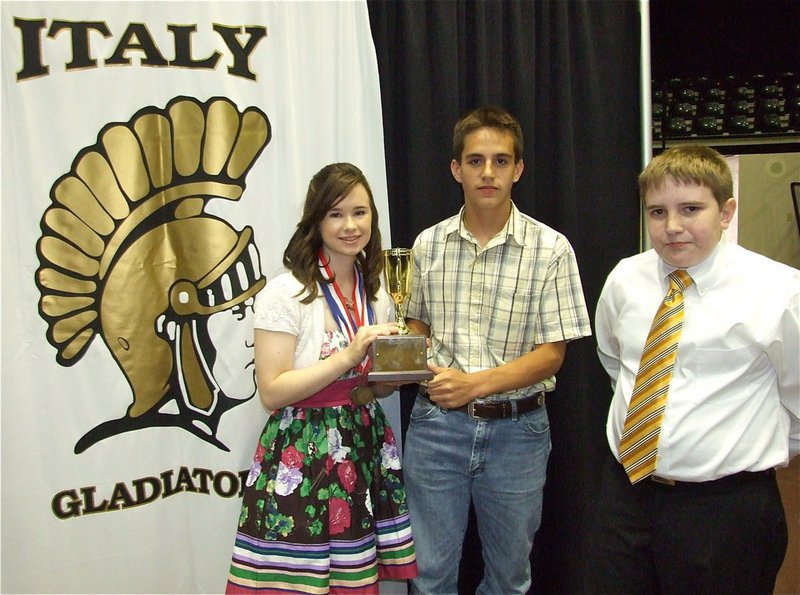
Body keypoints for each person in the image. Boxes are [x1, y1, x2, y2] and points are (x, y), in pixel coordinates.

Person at [591, 145, 799, 593]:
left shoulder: (777, 290)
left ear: (726, 212)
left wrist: (752, 449)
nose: (672, 227)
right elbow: (616, 361)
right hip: (626, 496)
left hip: (726, 508)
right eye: (657, 211)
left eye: (690, 209)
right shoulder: (625, 279)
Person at [402, 106, 592, 594]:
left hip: (518, 434)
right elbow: (417, 323)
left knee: (509, 579)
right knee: (427, 575)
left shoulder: (552, 249)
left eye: (501, 161)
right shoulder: (427, 246)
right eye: (476, 160)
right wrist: (402, 351)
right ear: (455, 169)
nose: (488, 172)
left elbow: (552, 354)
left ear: (519, 170)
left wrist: (473, 384)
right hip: (436, 431)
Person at [226, 163, 418, 594]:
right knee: (296, 584)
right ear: (315, 220)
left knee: (354, 580)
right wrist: (349, 354)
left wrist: (400, 374)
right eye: (335, 214)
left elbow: (373, 386)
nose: (350, 225)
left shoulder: (378, 293)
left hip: (362, 443)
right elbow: (272, 392)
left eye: (360, 212)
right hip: (304, 449)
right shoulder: (286, 292)